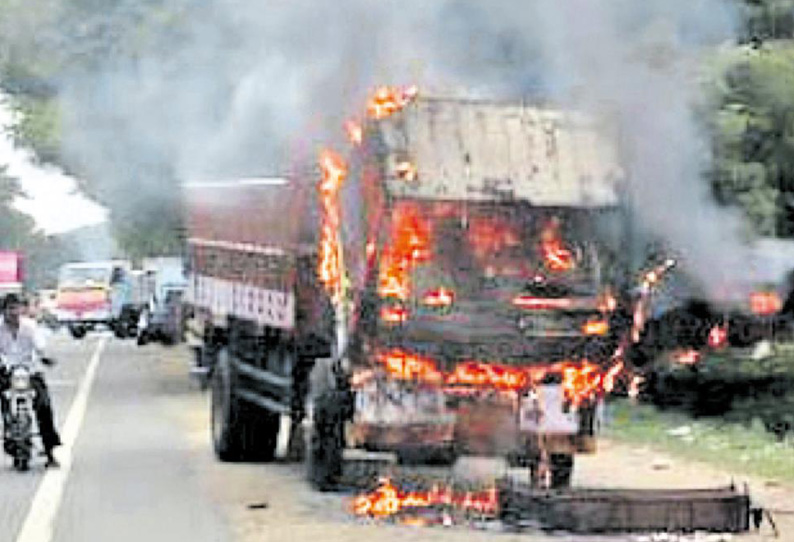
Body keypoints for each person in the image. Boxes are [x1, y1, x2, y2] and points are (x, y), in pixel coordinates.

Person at [0, 293, 61, 467]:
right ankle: (9, 432)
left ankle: (50, 451)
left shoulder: (30, 327)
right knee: (4, 404)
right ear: (3, 311)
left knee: (44, 406)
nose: (13, 312)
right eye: (9, 308)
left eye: (16, 307)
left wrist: (45, 357)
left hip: (30, 372)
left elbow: (40, 346)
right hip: (5, 372)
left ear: (21, 309)